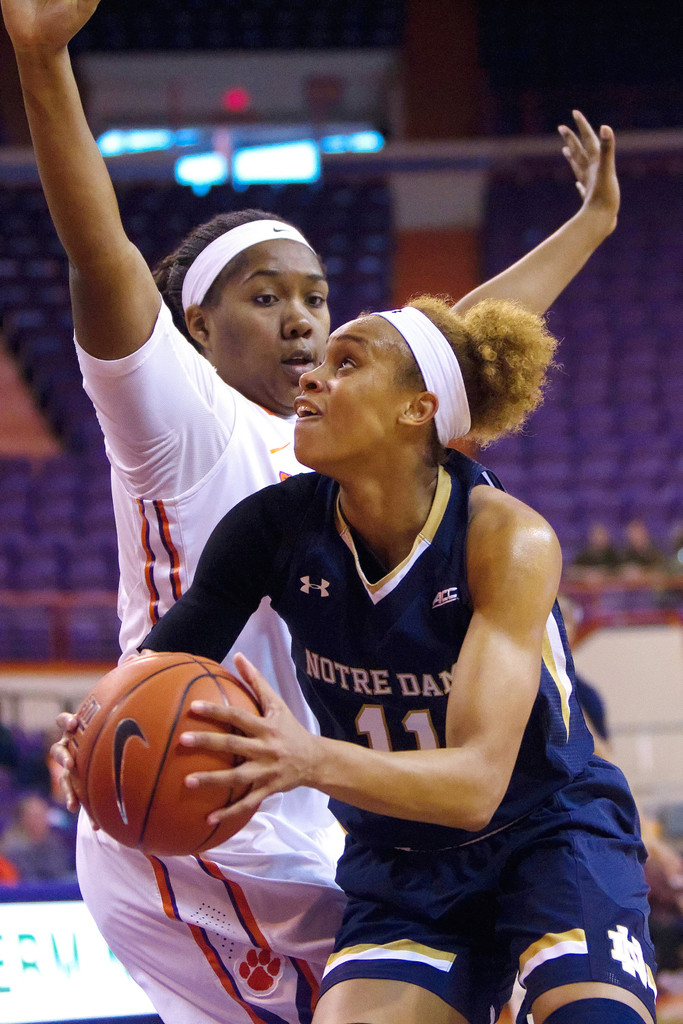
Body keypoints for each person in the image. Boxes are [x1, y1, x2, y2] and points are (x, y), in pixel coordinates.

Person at [1, 0, 623, 1020]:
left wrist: (586, 226)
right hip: (202, 821)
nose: (300, 318)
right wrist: (42, 63)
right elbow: (100, 257)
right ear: (195, 323)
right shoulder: (179, 416)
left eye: (317, 297)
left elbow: (450, 347)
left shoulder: (339, 434)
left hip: (303, 808)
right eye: (263, 296)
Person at [141, 295, 657, 1024]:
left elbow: (476, 785)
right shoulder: (272, 528)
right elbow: (159, 667)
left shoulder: (505, 538)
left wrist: (307, 758)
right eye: (319, 365)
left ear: (417, 410)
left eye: (345, 364)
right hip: (401, 858)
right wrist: (94, 723)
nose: (311, 378)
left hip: (547, 835)